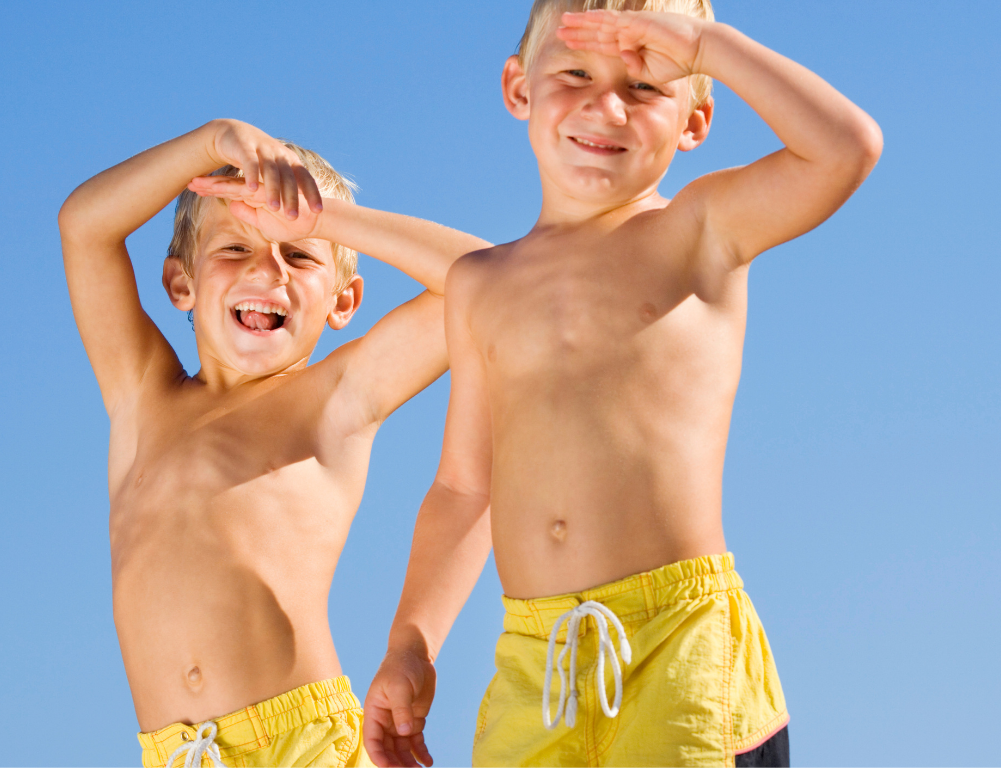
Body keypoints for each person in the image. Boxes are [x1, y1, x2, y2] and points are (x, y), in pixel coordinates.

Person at [363, 1, 881, 765]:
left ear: (694, 121)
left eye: (645, 87)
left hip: (679, 644)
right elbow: (465, 488)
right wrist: (411, 642)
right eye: (575, 73)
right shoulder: (480, 284)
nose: (606, 106)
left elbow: (845, 149)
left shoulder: (699, 230)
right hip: (535, 664)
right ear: (519, 89)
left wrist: (709, 47)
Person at [57, 118, 488, 767]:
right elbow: (84, 227)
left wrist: (326, 218)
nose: (269, 268)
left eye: (299, 251)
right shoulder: (142, 395)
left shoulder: (335, 399)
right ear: (181, 284)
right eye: (235, 248)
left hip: (301, 744)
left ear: (344, 301)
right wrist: (215, 141)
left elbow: (489, 282)